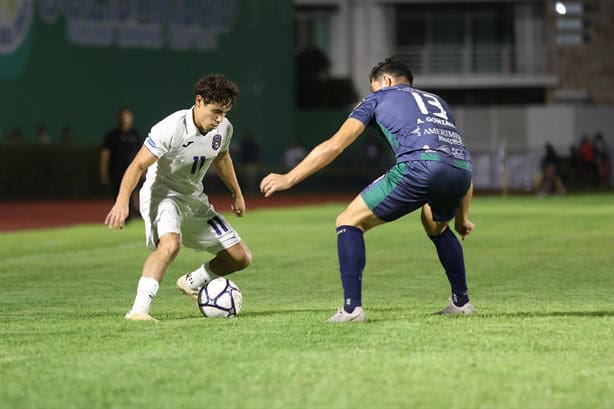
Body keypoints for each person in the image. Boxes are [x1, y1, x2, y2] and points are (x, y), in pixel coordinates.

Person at [260, 58, 476, 322]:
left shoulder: (377, 98)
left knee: (348, 221)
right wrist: (462, 218)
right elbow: (458, 155)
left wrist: (290, 178)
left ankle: (352, 309)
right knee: (435, 224)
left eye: (373, 87)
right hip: (462, 172)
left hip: (421, 166)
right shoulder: (437, 102)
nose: (372, 92)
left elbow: (335, 146)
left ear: (385, 81)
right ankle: (461, 302)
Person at [105, 74, 252, 321]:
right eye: (216, 111)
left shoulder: (224, 128)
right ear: (199, 101)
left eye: (225, 113)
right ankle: (139, 310)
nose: (220, 119)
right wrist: (122, 202)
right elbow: (137, 166)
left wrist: (236, 193)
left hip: (194, 199)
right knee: (170, 244)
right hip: (162, 195)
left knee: (241, 258)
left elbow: (222, 158)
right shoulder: (171, 128)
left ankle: (192, 282)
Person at [100, 108, 143, 221]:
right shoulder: (112, 136)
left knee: (133, 193)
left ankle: (133, 213)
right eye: (123, 116)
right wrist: (104, 172)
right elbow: (105, 155)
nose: (125, 119)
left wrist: (144, 169)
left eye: (127, 116)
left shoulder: (135, 135)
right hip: (116, 172)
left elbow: (142, 153)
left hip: (133, 171)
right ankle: (120, 216)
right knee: (119, 195)